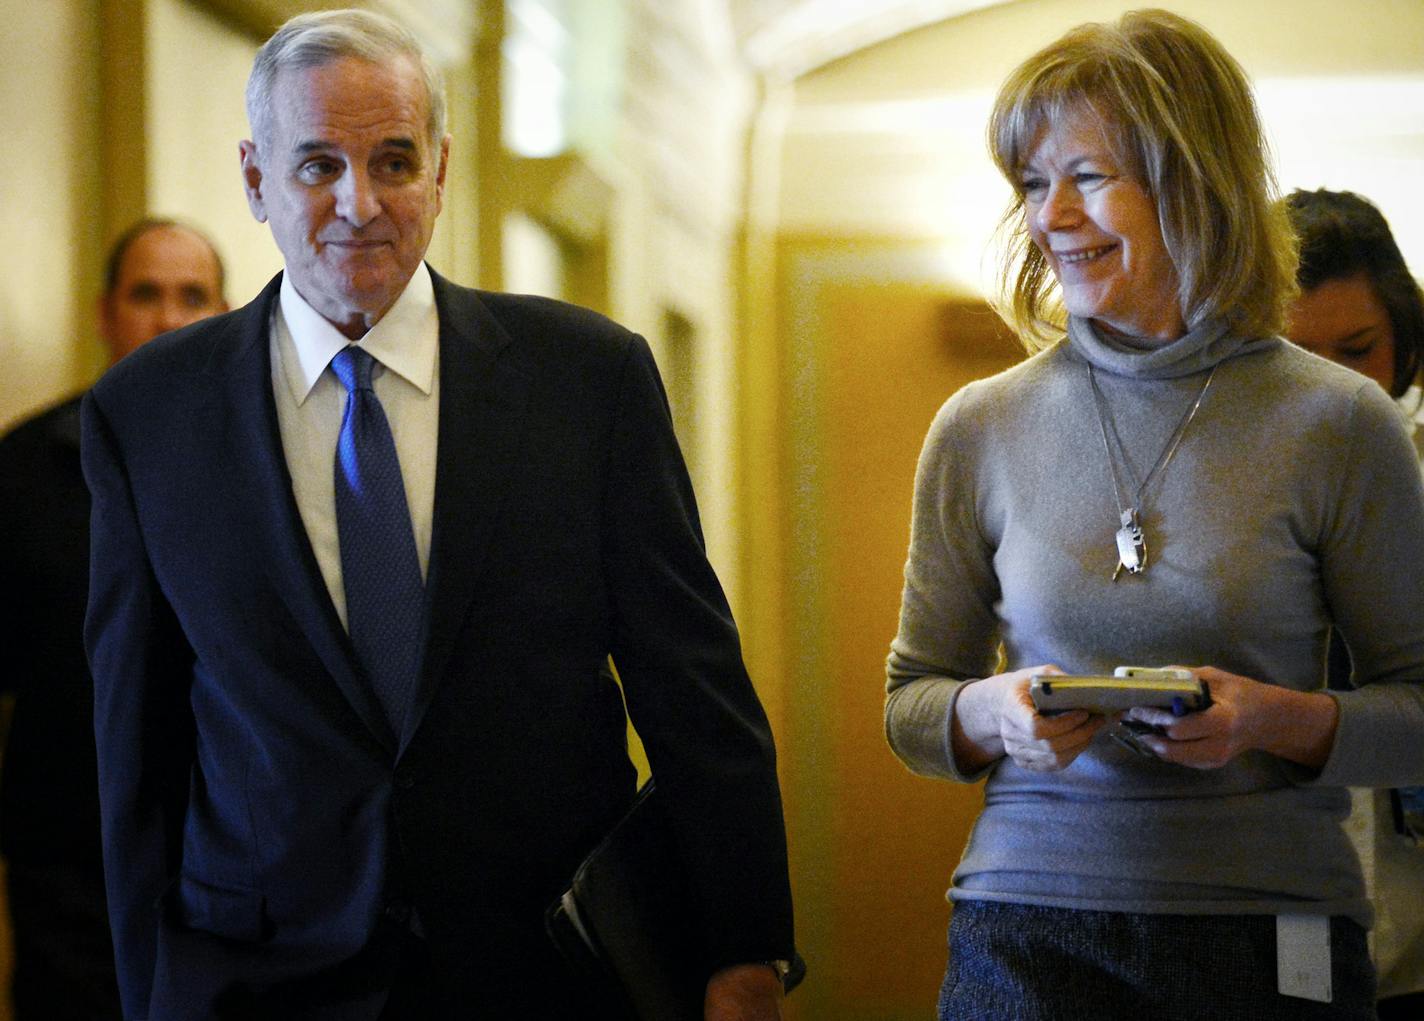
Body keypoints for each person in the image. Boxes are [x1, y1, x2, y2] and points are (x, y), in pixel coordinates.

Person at [81, 9, 795, 1020]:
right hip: (254, 974)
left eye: (394, 161)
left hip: (541, 968)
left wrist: (744, 947)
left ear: (442, 169)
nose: (357, 203)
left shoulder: (585, 379)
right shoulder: (149, 411)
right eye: (316, 164)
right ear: (253, 179)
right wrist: (143, 989)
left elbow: (692, 686)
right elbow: (135, 738)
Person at [884, 10, 1424, 1020]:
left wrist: (1269, 718)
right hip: (1024, 921)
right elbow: (912, 699)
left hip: (1271, 928)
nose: (1050, 217)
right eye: (1031, 184)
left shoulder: (1338, 420)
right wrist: (991, 715)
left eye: (1086, 177)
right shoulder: (978, 424)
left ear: (1195, 179)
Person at [0, 219, 227, 1019]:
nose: (168, 318)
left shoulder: (272, 469)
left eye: (191, 296)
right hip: (69, 866)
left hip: (235, 862)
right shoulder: (23, 468)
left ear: (225, 313)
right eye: (146, 295)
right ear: (104, 313)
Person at [1283, 187, 1424, 1019]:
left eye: (1358, 349)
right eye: (1300, 356)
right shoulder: (1219, 498)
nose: (1336, 390)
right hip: (1284, 887)